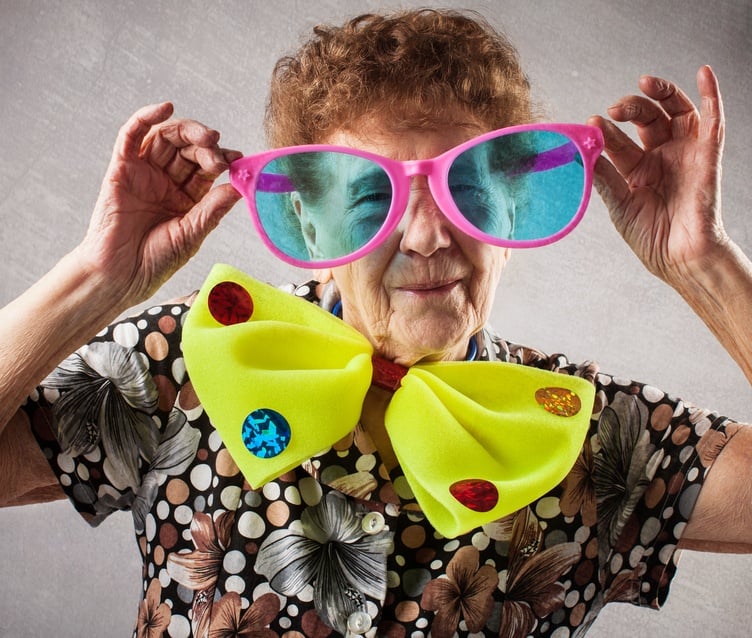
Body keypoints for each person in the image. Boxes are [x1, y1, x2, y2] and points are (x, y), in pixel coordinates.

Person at [1, 7, 751, 638]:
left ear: (511, 213)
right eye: (371, 199)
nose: (426, 237)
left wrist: (704, 264)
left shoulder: (588, 434)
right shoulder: (194, 358)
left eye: (468, 191)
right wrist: (95, 280)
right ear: (309, 226)